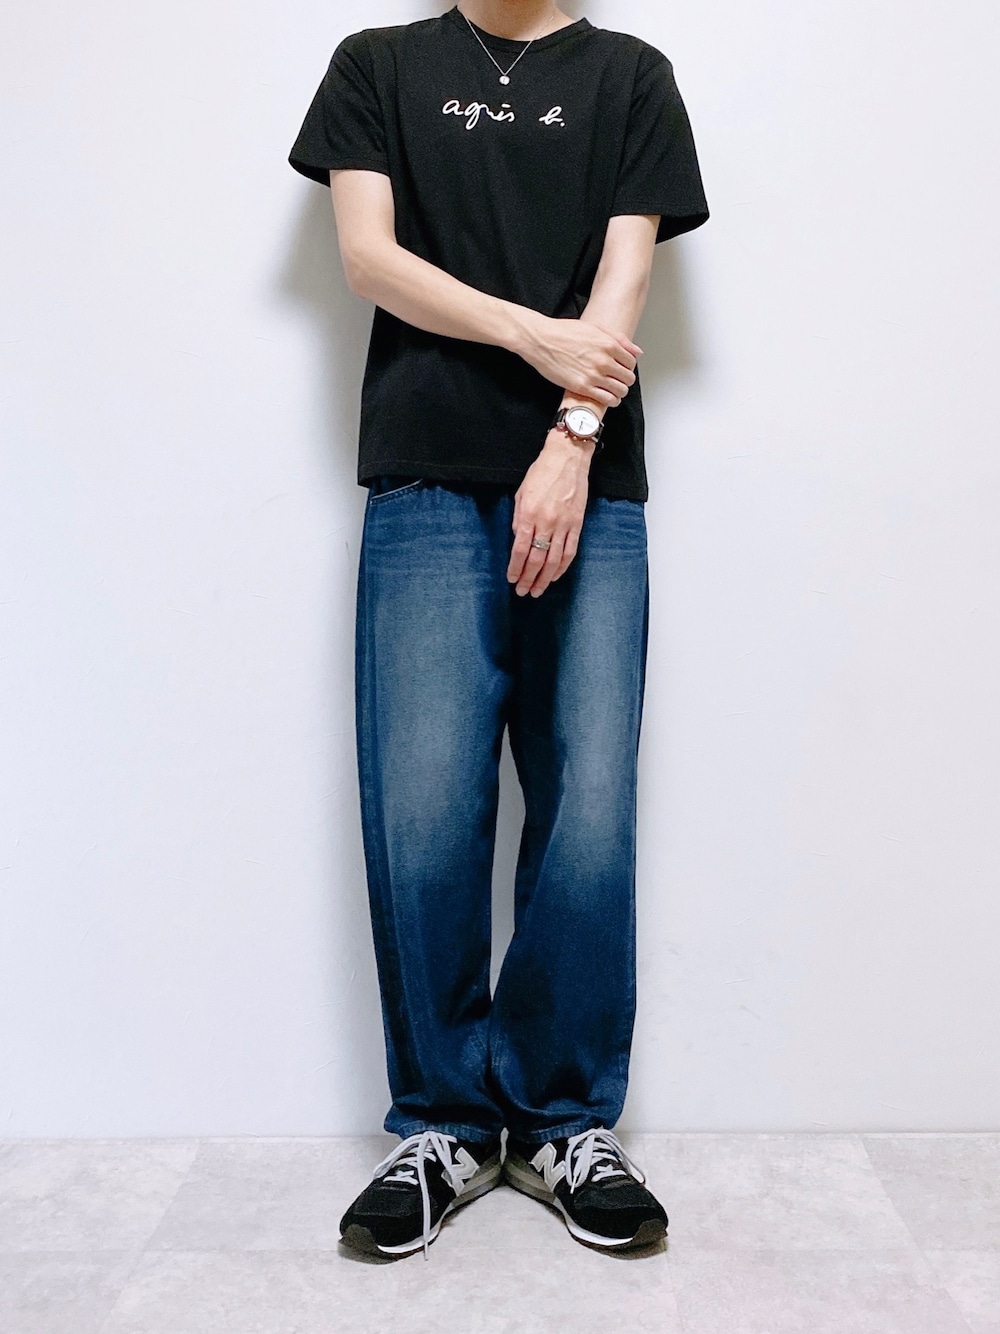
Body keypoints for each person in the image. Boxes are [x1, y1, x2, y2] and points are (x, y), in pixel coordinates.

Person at [288, 0, 708, 1260]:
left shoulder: (631, 75)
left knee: (587, 806)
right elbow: (370, 258)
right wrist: (537, 336)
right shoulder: (378, 65)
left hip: (588, 482)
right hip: (423, 472)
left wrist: (570, 438)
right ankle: (444, 1125)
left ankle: (563, 1121)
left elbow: (625, 277)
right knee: (423, 806)